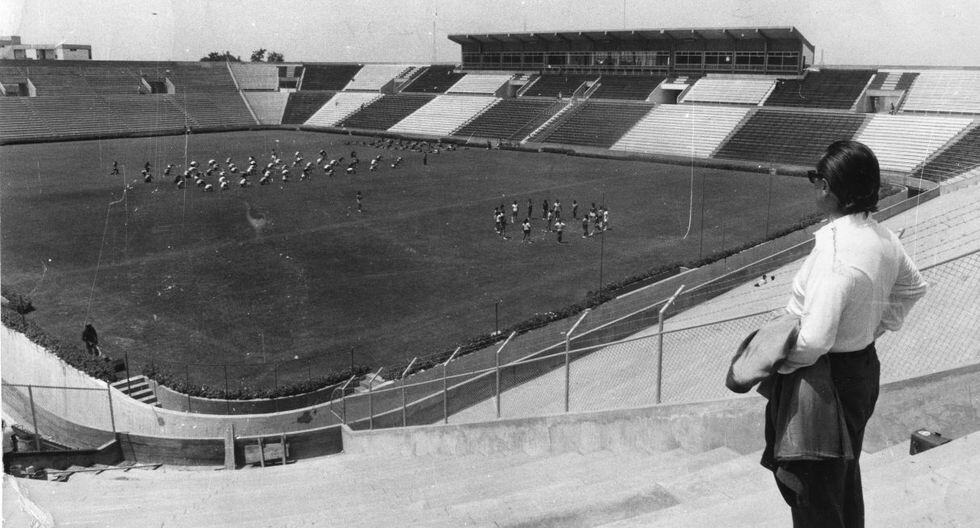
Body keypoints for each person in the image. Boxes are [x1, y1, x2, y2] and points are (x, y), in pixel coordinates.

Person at [766, 140, 927, 528]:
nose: (815, 187)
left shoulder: (836, 252)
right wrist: (875, 328)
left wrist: (778, 363)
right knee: (841, 480)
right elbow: (913, 287)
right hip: (860, 370)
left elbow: (815, 340)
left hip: (822, 382)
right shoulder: (884, 238)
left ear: (829, 187)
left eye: (816, 179)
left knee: (813, 493)